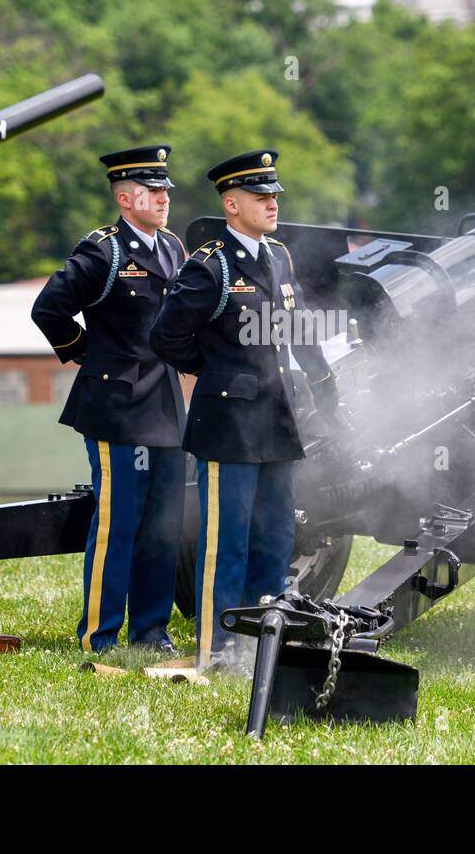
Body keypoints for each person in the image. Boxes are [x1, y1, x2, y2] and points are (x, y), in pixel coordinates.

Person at [149, 149, 337, 670]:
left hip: (277, 418)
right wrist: (216, 372)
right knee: (225, 541)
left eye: (274, 195)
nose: (272, 203)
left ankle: (262, 643)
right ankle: (217, 646)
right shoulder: (210, 265)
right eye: (261, 196)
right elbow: (166, 336)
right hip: (228, 422)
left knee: (275, 535)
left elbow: (298, 327)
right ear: (232, 205)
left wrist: (325, 384)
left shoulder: (278, 257)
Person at [31, 145, 187, 655]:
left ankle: (150, 632)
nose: (165, 198)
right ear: (125, 196)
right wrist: (85, 354)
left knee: (164, 527)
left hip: (164, 409)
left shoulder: (174, 249)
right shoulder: (104, 251)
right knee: (116, 526)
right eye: (153, 190)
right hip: (117, 409)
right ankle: (98, 638)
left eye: (166, 189)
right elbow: (48, 308)